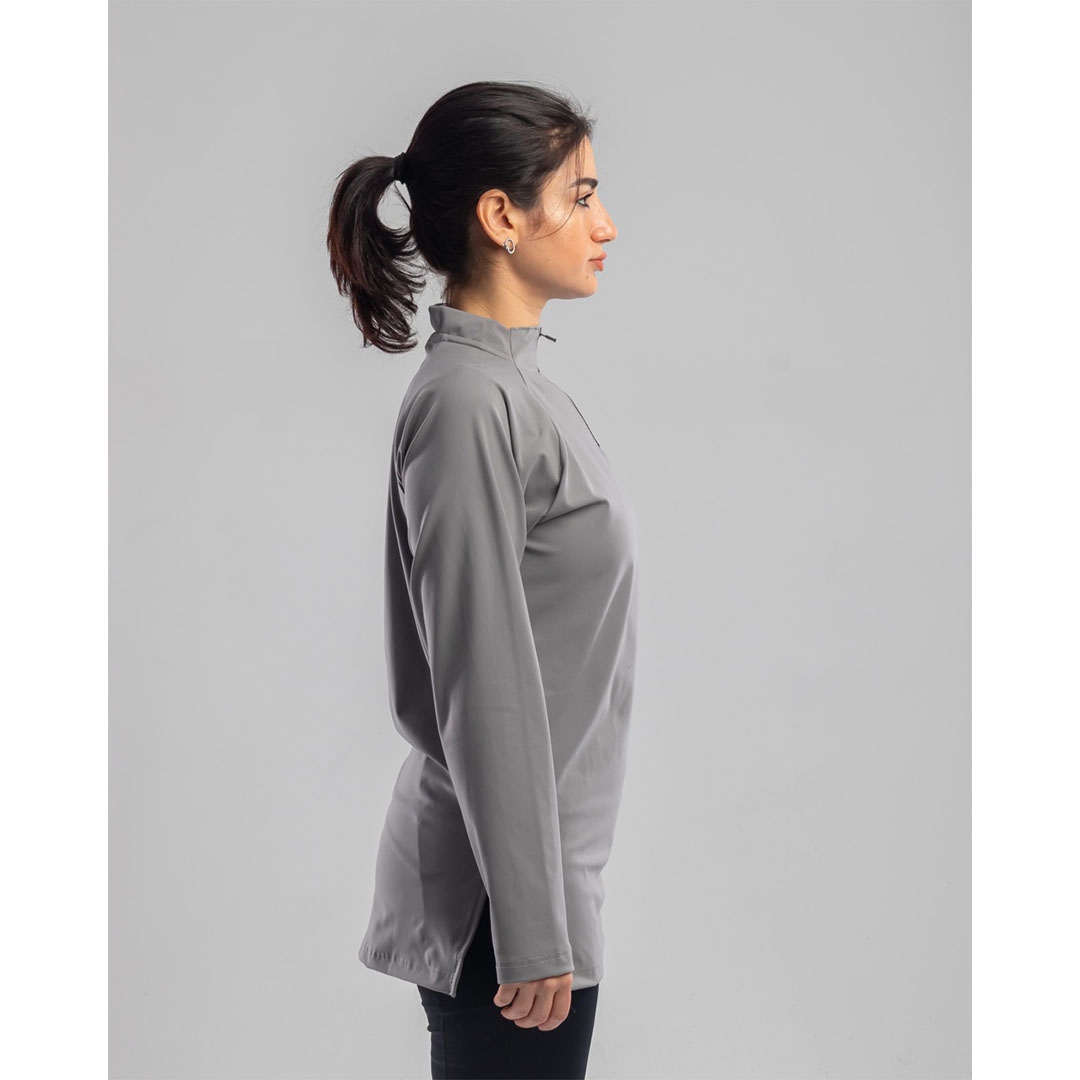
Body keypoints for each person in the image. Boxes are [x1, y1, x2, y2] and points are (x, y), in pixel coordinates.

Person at [326, 80, 637, 1080]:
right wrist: (534, 928)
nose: (605, 224)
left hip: (536, 892)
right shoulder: (468, 403)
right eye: (581, 196)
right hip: (501, 914)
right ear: (502, 216)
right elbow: (481, 679)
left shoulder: (515, 389)